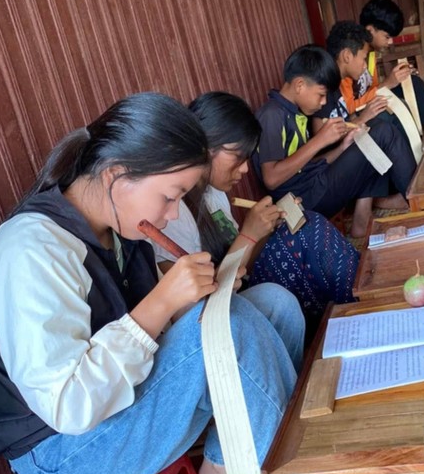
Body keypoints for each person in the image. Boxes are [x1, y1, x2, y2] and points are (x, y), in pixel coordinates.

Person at [0, 92, 410, 474]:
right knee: (229, 325)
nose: (172, 214)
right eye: (169, 197)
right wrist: (161, 305)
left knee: (274, 304)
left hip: (119, 418)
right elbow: (67, 406)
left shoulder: (118, 229)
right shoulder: (30, 249)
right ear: (116, 176)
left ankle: (227, 460)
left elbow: (153, 336)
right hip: (66, 457)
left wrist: (180, 301)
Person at [152, 91, 360, 341]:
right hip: (212, 312)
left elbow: (243, 267)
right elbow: (192, 308)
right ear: (205, 148)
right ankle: (354, 310)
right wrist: (249, 235)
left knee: (303, 226)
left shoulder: (213, 193)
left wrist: (266, 227)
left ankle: (350, 312)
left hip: (238, 287)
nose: (244, 168)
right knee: (305, 236)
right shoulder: (171, 215)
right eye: (237, 157)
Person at [254, 45, 414, 237]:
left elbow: (302, 165)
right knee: (382, 132)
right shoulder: (272, 115)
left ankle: (363, 220)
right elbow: (271, 179)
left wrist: (343, 146)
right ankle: (417, 199)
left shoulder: (293, 112)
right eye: (321, 95)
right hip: (303, 201)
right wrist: (320, 140)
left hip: (314, 184)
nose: (323, 103)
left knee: (369, 137)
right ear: (299, 85)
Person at [315, 21, 424, 167]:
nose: (365, 64)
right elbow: (322, 139)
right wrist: (363, 117)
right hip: (336, 159)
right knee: (383, 126)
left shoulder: (337, 83)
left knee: (392, 110)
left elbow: (349, 114)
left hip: (350, 141)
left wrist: (361, 117)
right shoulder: (325, 89)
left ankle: (420, 158)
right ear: (347, 56)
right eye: (363, 58)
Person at [355, 0, 424, 128]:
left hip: (370, 102)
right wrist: (388, 83)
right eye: (387, 37)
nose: (389, 42)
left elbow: (372, 90)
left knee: (413, 83)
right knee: (392, 118)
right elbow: (353, 106)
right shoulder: (352, 57)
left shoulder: (371, 54)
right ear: (370, 30)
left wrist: (398, 78)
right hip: (361, 114)